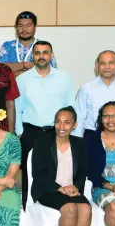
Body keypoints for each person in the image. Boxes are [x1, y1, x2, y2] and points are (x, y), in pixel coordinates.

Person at [31, 106, 91, 226]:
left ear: (74, 125)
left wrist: (76, 187)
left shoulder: (80, 143)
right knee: (70, 209)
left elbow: (82, 172)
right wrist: (60, 188)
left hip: (71, 188)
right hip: (48, 189)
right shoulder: (43, 142)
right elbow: (38, 174)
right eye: (58, 122)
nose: (61, 126)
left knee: (86, 209)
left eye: (66, 122)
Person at [16, 41, 75, 209]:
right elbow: (18, 108)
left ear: (52, 55)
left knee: (54, 172)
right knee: (29, 173)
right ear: (33, 56)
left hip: (57, 133)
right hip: (30, 133)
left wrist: (68, 132)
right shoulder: (22, 79)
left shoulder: (64, 78)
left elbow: (70, 106)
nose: (41, 56)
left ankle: (53, 206)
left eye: (45, 52)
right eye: (37, 53)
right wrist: (21, 133)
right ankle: (27, 207)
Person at [0, 11, 57, 77]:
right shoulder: (7, 46)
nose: (24, 29)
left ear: (35, 27)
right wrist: (25, 65)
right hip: (12, 87)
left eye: (28, 25)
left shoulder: (43, 46)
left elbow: (51, 71)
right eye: (20, 26)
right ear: (16, 27)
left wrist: (16, 72)